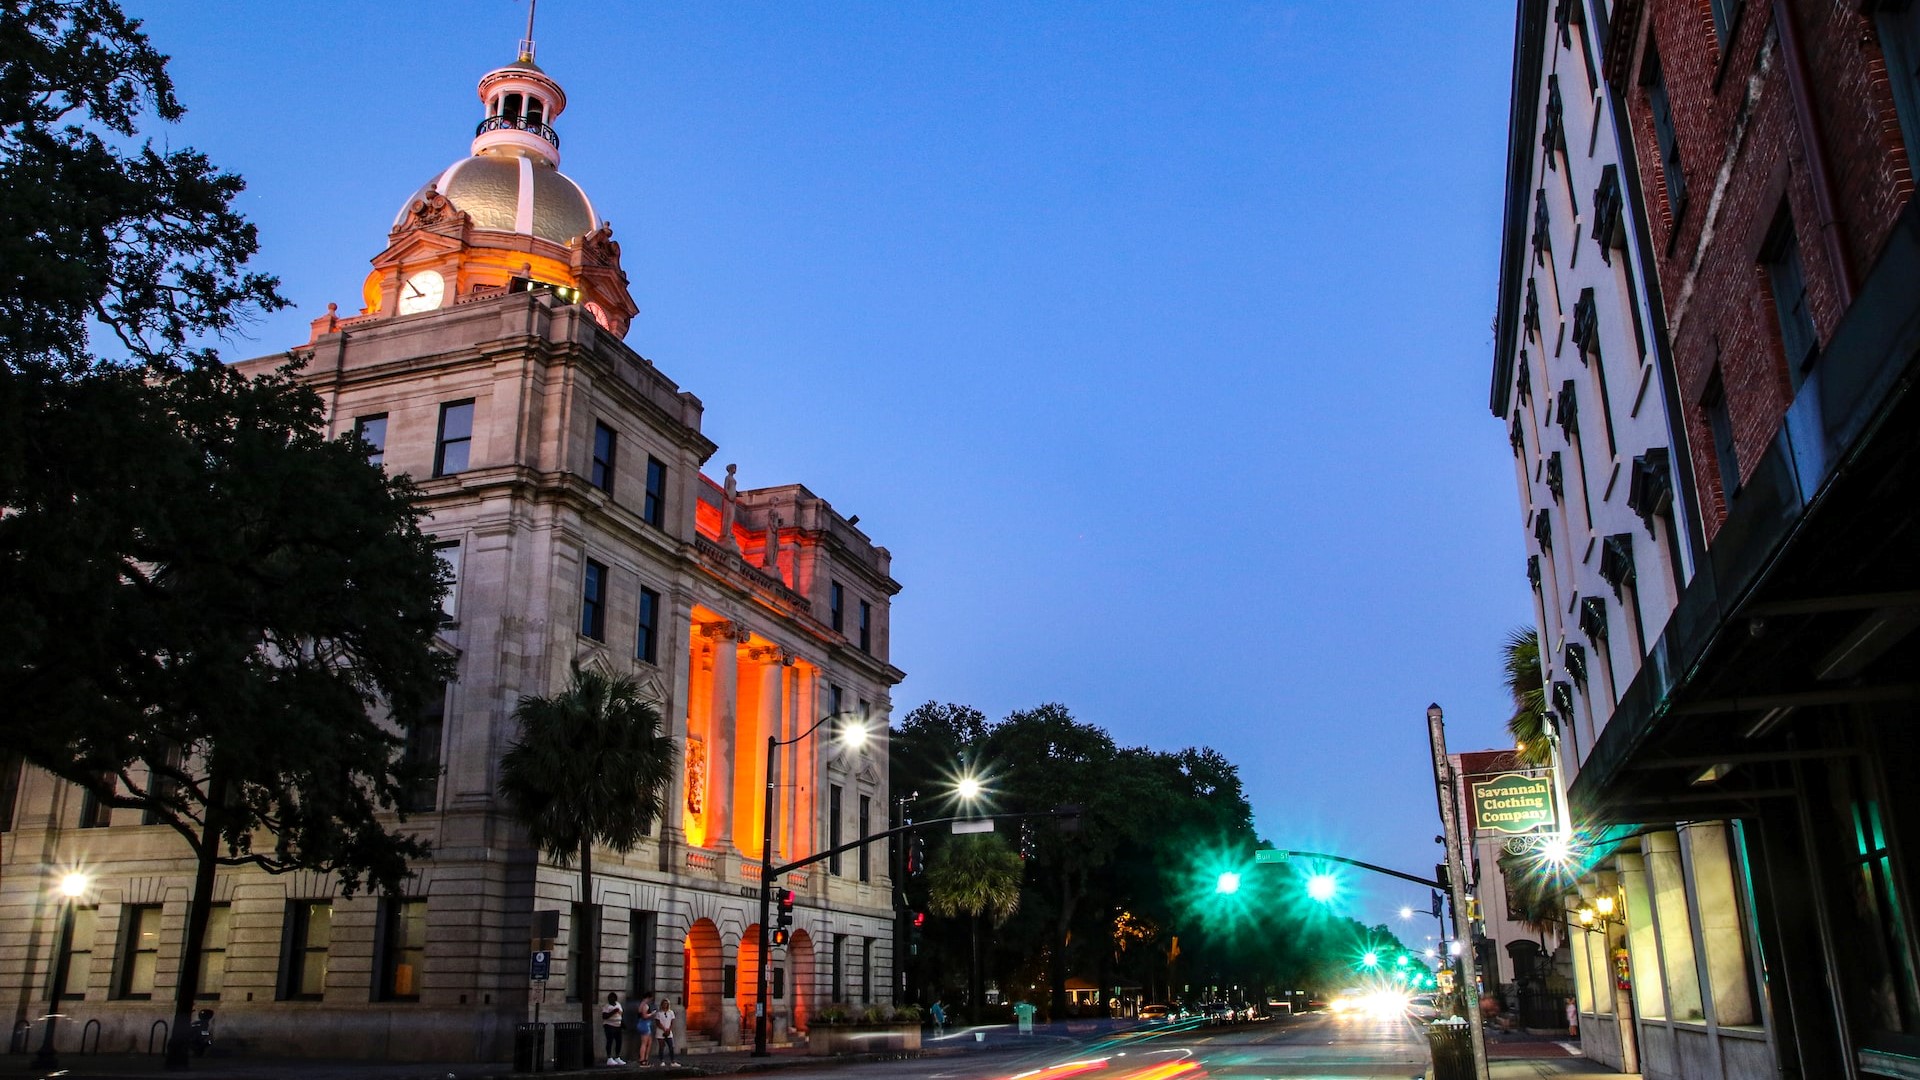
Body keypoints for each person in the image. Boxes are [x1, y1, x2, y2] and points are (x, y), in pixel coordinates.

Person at [632, 991, 656, 1066]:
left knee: (648, 1042)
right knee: (644, 1043)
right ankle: (642, 1059)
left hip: (643, 1024)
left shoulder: (642, 1004)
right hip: (644, 1024)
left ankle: (645, 1059)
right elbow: (644, 1016)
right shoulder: (645, 1005)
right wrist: (652, 1014)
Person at [602, 991, 625, 1065]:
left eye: (613, 998)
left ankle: (617, 1057)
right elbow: (604, 1016)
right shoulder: (607, 1006)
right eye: (610, 998)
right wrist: (613, 1012)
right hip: (609, 1025)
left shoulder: (618, 1004)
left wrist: (622, 1023)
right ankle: (609, 1058)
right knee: (610, 1041)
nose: (611, 999)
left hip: (618, 1025)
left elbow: (621, 1014)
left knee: (619, 1041)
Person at [654, 997, 677, 1066]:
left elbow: (672, 1022)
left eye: (666, 1004)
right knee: (661, 1046)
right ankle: (662, 1061)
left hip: (668, 1031)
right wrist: (664, 1029)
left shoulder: (671, 1012)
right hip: (661, 1032)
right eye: (664, 1004)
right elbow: (657, 1023)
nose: (665, 1005)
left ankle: (673, 1061)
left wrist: (669, 1029)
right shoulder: (659, 1013)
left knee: (671, 1046)